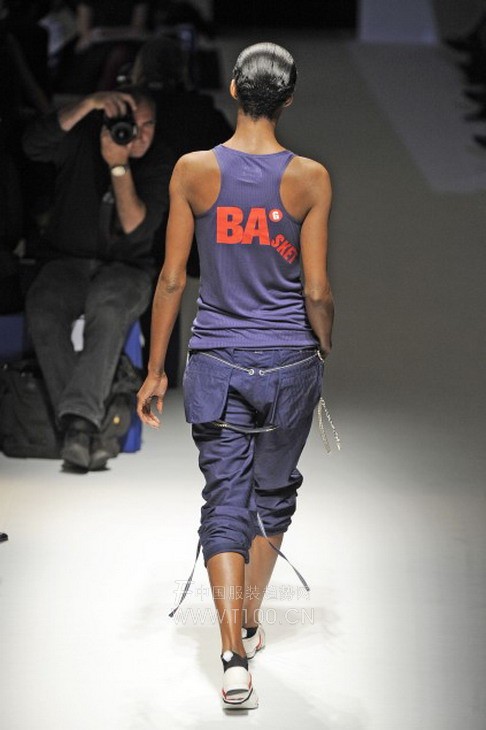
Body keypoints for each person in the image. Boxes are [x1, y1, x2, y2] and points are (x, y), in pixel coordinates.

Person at [137, 43, 334, 709]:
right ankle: (248, 619)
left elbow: (171, 278)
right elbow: (317, 290)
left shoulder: (193, 171)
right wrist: (323, 345)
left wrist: (155, 370)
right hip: (288, 360)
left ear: (232, 89)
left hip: (216, 359)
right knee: (271, 495)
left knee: (225, 501)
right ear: (289, 98)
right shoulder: (310, 178)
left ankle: (231, 659)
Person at [23, 87, 173, 471]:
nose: (139, 135)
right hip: (66, 261)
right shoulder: (83, 138)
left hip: (128, 268)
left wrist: (118, 166)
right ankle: (90, 427)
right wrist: (88, 104)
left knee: (107, 310)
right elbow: (32, 144)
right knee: (43, 308)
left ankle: (77, 429)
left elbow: (135, 227)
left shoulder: (159, 161)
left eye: (148, 125)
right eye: (130, 125)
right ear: (109, 122)